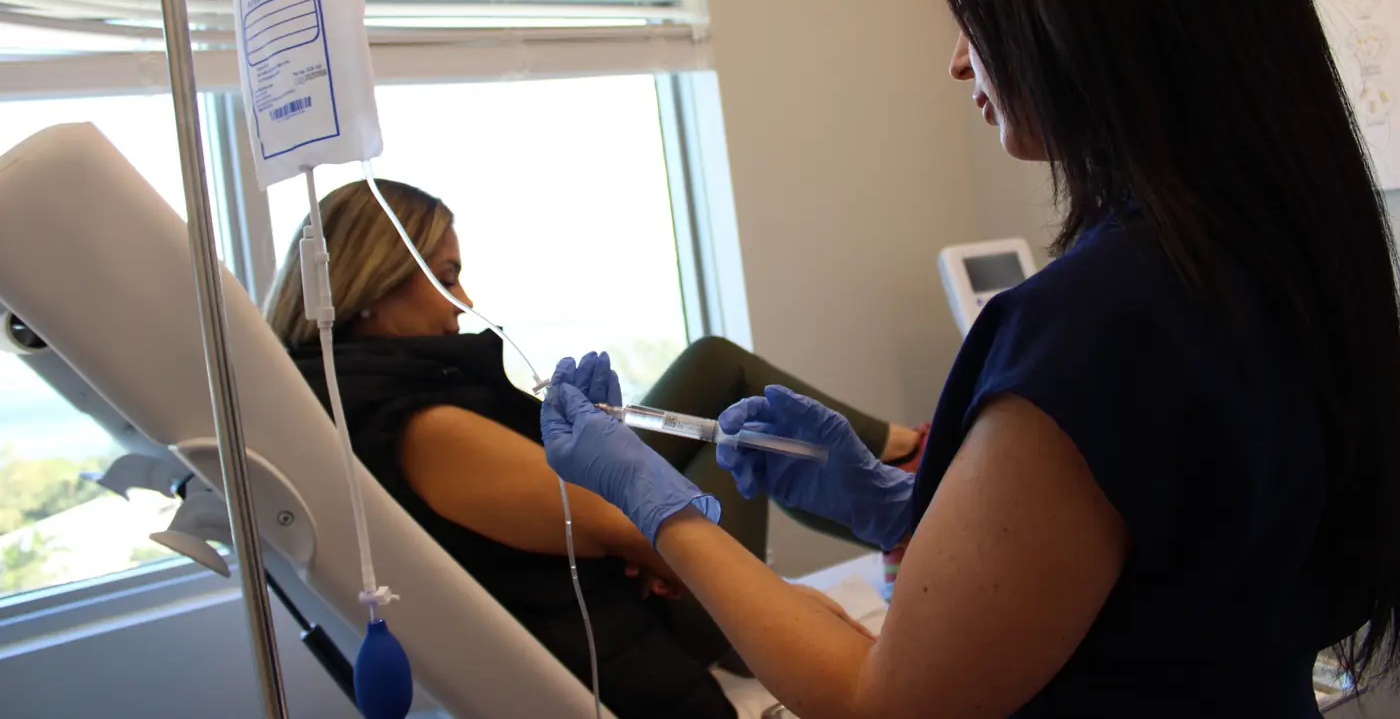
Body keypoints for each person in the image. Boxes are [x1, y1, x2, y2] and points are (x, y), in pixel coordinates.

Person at [540, 0, 1400, 717]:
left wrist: (659, 506)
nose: (959, 61)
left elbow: (884, 703)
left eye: (976, 16)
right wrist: (909, 510)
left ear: (1083, 18)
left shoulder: (1096, 323)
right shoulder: (1285, 252)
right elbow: (1176, 563)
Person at [262, 178, 926, 719]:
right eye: (446, 276)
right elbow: (620, 521)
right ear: (371, 287)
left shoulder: (361, 392)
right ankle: (907, 474)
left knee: (715, 365)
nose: (463, 302)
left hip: (631, 577)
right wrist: (788, 604)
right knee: (742, 427)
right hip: (661, 611)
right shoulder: (425, 426)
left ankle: (897, 474)